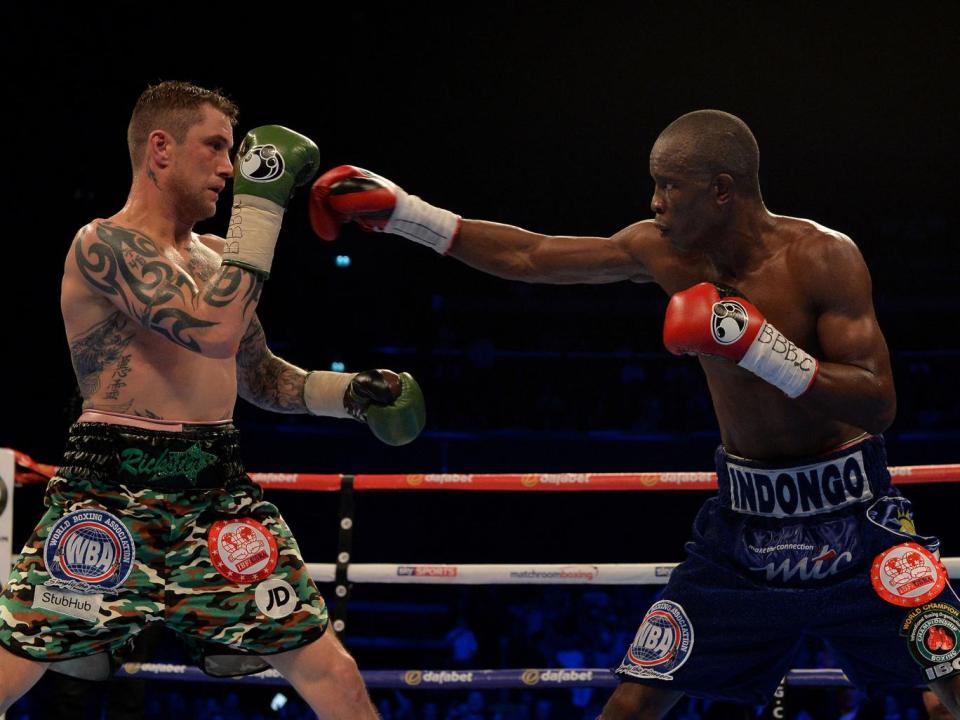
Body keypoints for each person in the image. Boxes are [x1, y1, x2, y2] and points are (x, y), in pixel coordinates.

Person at [308, 109, 960, 718]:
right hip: (742, 537)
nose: (654, 203)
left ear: (723, 190)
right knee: (631, 706)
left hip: (855, 519)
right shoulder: (663, 251)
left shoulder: (822, 257)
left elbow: (878, 402)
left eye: (669, 186)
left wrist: (762, 349)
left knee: (950, 685)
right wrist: (405, 214)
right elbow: (529, 256)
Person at [0, 80, 427, 718]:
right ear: (161, 148)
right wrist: (264, 207)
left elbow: (257, 376)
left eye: (235, 153)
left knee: (335, 677)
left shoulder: (221, 257)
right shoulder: (101, 246)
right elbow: (213, 329)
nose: (232, 168)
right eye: (217, 147)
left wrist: (351, 395)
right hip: (111, 493)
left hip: (217, 495)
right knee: (10, 672)